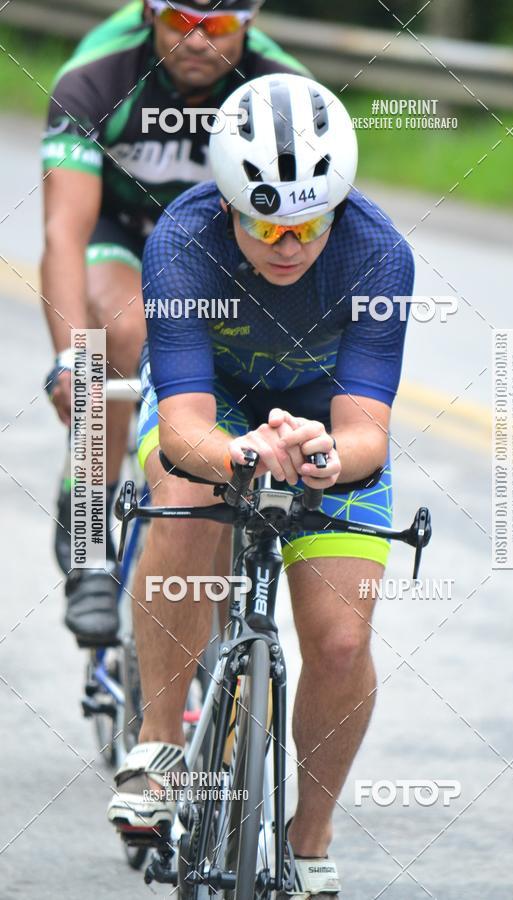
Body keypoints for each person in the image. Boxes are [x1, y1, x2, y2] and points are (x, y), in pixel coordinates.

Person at [107, 73, 414, 896]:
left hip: (323, 425)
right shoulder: (182, 239)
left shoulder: (378, 252)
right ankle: (160, 748)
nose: (290, 244)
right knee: (181, 495)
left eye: (309, 223)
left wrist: (320, 455)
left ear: (337, 206)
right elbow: (182, 427)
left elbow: (366, 435)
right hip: (217, 407)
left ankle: (309, 839)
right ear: (228, 204)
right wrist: (242, 455)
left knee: (343, 641)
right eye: (265, 222)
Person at [41, 0, 308, 646]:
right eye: (179, 21)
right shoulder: (97, 78)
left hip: (223, 249)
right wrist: (73, 360)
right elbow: (63, 235)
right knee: (121, 334)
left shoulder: (280, 89)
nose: (195, 40)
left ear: (249, 22)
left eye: (216, 26)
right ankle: (88, 536)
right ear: (147, 11)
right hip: (121, 232)